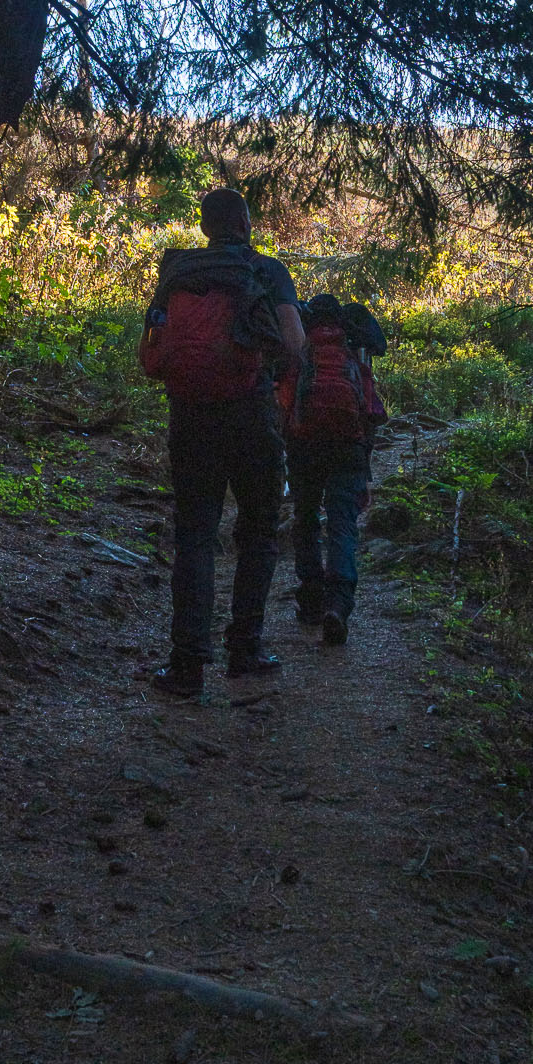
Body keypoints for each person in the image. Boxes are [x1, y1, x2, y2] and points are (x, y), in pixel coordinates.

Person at [139, 187, 304, 698]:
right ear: (246, 223)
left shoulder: (178, 273)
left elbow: (150, 350)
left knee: (194, 537)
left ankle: (187, 665)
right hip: (252, 416)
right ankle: (244, 650)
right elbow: (295, 344)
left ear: (206, 225)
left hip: (190, 418)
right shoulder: (268, 271)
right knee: (257, 534)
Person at [283, 293, 387, 646]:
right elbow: (372, 411)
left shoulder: (301, 351)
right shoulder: (353, 356)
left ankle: (310, 599)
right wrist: (365, 465)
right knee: (343, 523)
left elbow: (283, 404)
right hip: (348, 447)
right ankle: (338, 606)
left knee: (306, 518)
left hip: (304, 447)